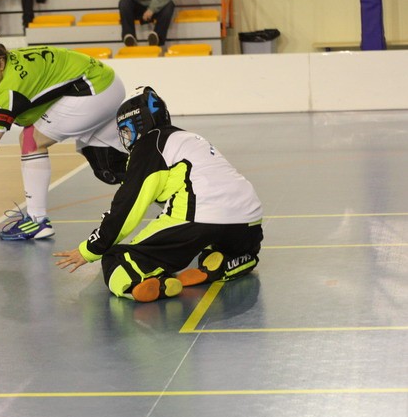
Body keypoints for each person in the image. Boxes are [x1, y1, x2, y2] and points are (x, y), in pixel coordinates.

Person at [54, 86, 263, 302]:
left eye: (126, 131)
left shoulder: (149, 145)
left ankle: (149, 283)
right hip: (249, 223)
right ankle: (236, 259)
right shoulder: (189, 138)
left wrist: (90, 249)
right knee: (209, 238)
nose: (125, 137)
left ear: (136, 124)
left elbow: (127, 207)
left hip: (200, 218)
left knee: (115, 258)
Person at [0, 35, 130, 241]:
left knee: (31, 141)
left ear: (0, 63)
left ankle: (37, 221)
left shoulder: (11, 86)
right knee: (110, 164)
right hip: (104, 82)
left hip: (94, 88)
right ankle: (152, 185)